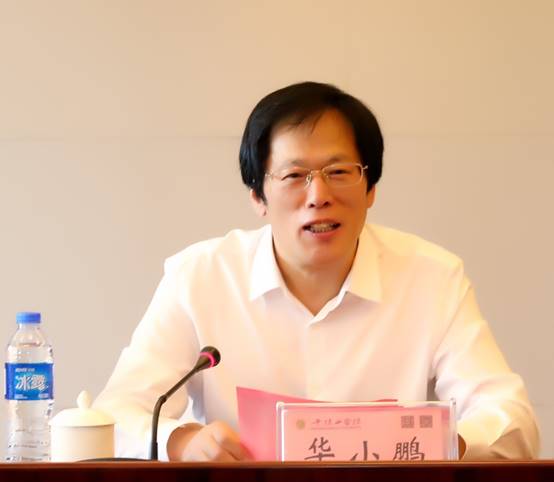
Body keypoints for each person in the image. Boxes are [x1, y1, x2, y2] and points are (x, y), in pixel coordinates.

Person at [94, 82, 540, 461]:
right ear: (258, 196)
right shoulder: (200, 278)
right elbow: (113, 416)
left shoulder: (432, 278)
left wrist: (437, 442)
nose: (319, 195)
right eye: (294, 176)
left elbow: (512, 421)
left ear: (370, 188)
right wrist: (181, 442)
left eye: (339, 171)